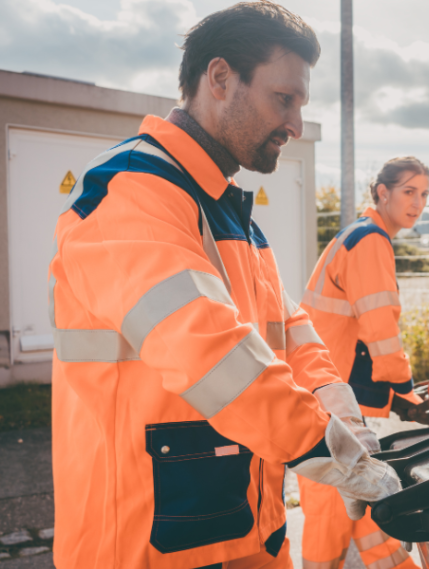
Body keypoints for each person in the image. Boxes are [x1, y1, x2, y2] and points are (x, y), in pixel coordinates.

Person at [49, 3, 397, 568]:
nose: (295, 125)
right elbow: (211, 350)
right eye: (283, 99)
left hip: (242, 530)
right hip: (147, 545)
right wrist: (333, 456)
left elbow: (289, 333)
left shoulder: (225, 210)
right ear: (218, 78)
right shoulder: (132, 194)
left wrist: (343, 413)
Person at [299, 158, 429, 569]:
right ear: (381, 193)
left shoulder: (358, 236)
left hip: (331, 390)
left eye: (424, 194)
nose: (418, 203)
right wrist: (407, 391)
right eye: (409, 192)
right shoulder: (370, 241)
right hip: (336, 399)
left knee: (361, 500)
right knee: (334, 506)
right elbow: (381, 331)